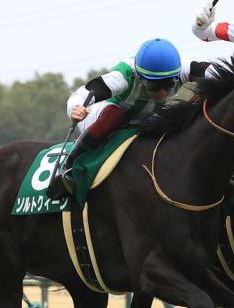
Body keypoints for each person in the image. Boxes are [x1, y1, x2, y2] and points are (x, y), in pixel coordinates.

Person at [47, 38, 186, 200]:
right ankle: (68, 168)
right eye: (154, 86)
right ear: (141, 78)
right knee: (115, 113)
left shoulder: (183, 69)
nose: (162, 93)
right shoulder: (123, 75)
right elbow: (84, 92)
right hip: (100, 118)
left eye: (169, 84)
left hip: (145, 121)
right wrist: (75, 107)